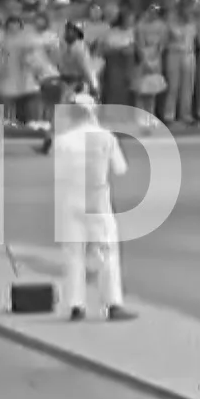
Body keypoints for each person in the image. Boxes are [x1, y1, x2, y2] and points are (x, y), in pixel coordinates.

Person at [51, 94, 134, 322]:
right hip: (97, 200)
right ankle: (112, 303)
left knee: (73, 253)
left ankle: (75, 305)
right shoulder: (106, 138)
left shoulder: (62, 140)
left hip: (69, 201)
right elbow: (120, 169)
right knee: (106, 251)